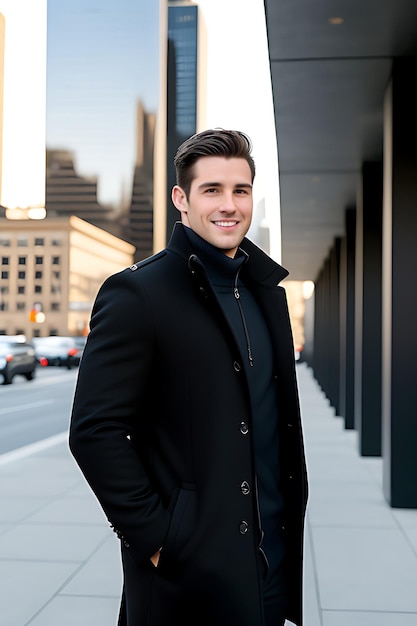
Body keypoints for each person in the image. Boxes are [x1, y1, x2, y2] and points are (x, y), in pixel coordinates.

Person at [69, 128, 308, 626]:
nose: (230, 205)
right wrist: (159, 539)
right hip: (185, 575)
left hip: (269, 570)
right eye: (212, 190)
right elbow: (95, 432)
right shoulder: (138, 295)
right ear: (181, 198)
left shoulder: (267, 294)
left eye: (240, 190)